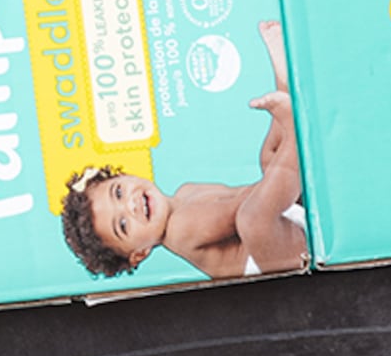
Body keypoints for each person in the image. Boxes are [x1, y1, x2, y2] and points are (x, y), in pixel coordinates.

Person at [59, 22, 307, 282]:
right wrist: (278, 176)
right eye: (122, 225)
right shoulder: (180, 230)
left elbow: (258, 193)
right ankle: (293, 133)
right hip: (284, 261)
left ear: (124, 175)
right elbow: (245, 207)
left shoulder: (186, 192)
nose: (129, 205)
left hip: (283, 223)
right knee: (251, 219)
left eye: (118, 192)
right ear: (139, 253)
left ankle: (284, 87)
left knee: (267, 160)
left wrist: (275, 171)